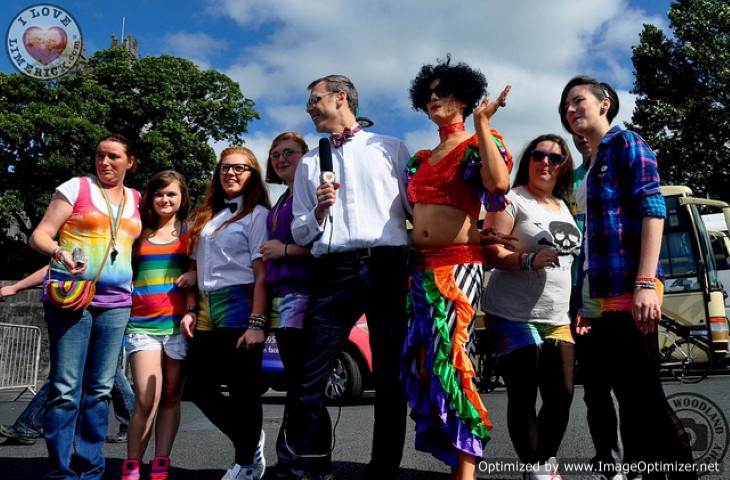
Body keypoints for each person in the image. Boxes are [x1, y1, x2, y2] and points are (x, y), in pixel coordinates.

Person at [559, 75, 695, 477]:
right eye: (565, 106)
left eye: (577, 101)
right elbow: (590, 245)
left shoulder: (627, 143)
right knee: (626, 399)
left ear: (604, 104)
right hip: (598, 301)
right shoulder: (591, 165)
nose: (570, 110)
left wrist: (645, 283)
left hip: (630, 293)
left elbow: (653, 209)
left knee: (645, 399)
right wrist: (583, 304)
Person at [288, 74, 411, 480]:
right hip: (333, 268)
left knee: (390, 373)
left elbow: (415, 209)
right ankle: (310, 465)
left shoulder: (391, 148)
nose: (309, 107)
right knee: (310, 374)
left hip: (387, 264)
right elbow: (299, 231)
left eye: (314, 99)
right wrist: (319, 211)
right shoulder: (309, 162)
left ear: (340, 97)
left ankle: (383, 469)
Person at [400, 57, 512, 479]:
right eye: (429, 94)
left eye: (443, 92)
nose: (434, 99)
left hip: (457, 266)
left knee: (452, 358)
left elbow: (498, 184)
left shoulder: (479, 141)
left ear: (463, 98)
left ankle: (466, 472)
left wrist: (482, 123)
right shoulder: (421, 158)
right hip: (418, 271)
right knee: (426, 366)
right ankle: (455, 458)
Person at [29, 134, 142, 479]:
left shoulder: (137, 198)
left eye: (113, 156)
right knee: (66, 389)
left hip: (117, 303)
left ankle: (90, 468)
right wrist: (59, 252)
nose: (104, 162)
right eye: (99, 155)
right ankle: (62, 471)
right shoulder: (76, 188)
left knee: (101, 390)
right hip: (72, 298)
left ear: (130, 162)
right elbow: (39, 235)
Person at [482, 134, 579, 478]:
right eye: (539, 155)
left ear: (564, 166)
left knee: (562, 395)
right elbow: (490, 251)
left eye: (555, 157)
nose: (546, 162)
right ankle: (537, 468)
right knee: (523, 394)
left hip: (557, 316)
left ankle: (543, 459)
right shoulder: (510, 199)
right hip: (512, 314)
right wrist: (527, 260)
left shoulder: (563, 205)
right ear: (529, 160)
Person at [185, 147, 270, 480]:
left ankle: (245, 464)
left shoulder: (257, 215)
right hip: (206, 304)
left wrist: (257, 322)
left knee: (242, 389)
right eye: (225, 167)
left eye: (239, 168)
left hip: (239, 300)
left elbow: (261, 273)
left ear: (253, 174)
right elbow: (195, 266)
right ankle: (250, 440)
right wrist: (191, 307)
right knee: (198, 386)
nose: (230, 173)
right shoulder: (207, 215)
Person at [0, 267, 134, 447]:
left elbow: (53, 267)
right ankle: (29, 425)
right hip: (100, 307)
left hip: (87, 306)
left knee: (70, 375)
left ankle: (29, 426)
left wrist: (15, 287)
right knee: (93, 375)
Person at [120, 171, 197, 480]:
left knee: (171, 396)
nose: (165, 199)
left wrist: (192, 294)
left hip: (178, 326)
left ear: (182, 198)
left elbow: (199, 273)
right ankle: (132, 463)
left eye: (171, 194)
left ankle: (161, 460)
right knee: (145, 398)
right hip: (141, 325)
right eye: (159, 194)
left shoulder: (191, 233)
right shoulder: (138, 232)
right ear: (151, 198)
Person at [261, 132, 314, 480]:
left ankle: (300, 463)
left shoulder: (308, 196)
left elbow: (326, 243)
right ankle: (295, 461)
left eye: (289, 153)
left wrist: (283, 250)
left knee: (302, 385)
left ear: (306, 157)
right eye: (275, 154)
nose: (281, 159)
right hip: (281, 298)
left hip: (303, 295)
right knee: (296, 383)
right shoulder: (282, 199)